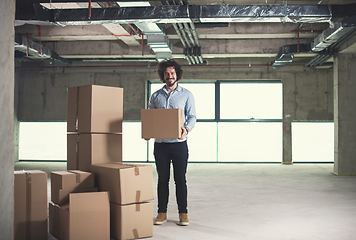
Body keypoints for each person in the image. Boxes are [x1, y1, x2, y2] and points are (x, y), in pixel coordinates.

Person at [145, 59, 196, 226]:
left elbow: (192, 117)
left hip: (179, 144)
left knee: (180, 179)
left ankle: (183, 213)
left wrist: (186, 129)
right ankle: (162, 212)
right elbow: (150, 118)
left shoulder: (186, 95)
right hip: (161, 146)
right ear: (163, 75)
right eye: (166, 73)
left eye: (172, 73)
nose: (170, 76)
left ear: (177, 74)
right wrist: (147, 132)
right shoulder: (155, 96)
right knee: (162, 179)